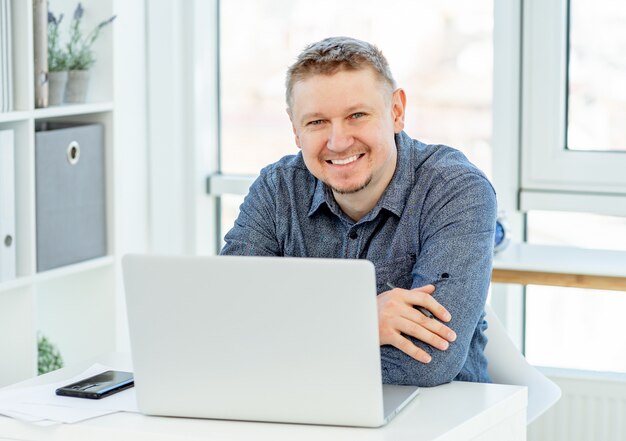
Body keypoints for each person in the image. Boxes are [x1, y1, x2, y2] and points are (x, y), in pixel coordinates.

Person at [220, 36, 497, 387]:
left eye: (357, 115)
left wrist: (282, 341)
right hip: (303, 411)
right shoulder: (277, 190)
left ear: (396, 111)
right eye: (317, 122)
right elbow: (227, 325)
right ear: (295, 129)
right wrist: (361, 321)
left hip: (439, 418)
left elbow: (425, 363)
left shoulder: (455, 189)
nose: (338, 141)